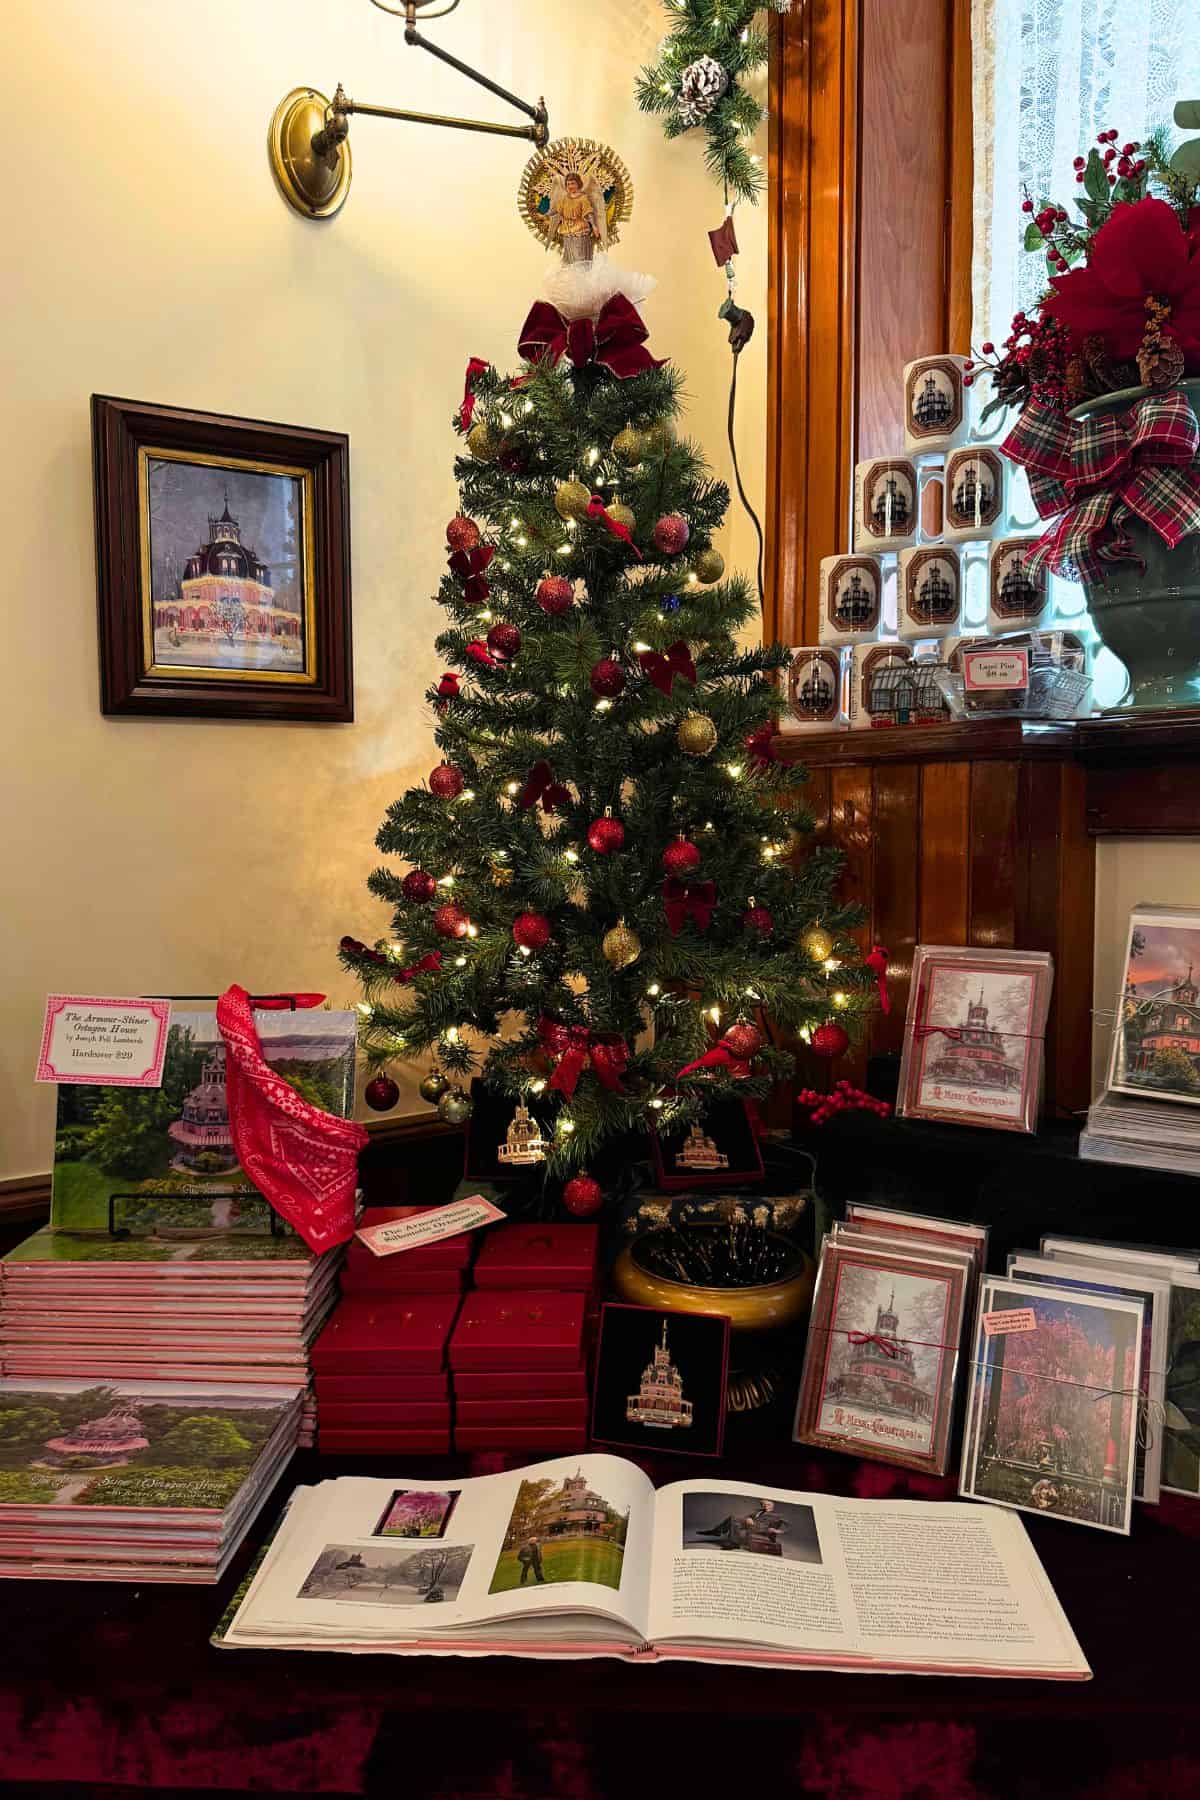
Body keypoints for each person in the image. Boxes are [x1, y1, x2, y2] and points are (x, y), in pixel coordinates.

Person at [551, 172, 601, 267]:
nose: (570, 186)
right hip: (567, 232)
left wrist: (594, 227)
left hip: (580, 231)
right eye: (568, 184)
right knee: (569, 258)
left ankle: (583, 276)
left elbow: (589, 213)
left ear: (578, 184)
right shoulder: (564, 199)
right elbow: (556, 210)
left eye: (573, 183)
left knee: (580, 258)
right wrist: (544, 215)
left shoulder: (582, 198)